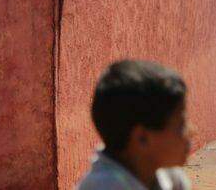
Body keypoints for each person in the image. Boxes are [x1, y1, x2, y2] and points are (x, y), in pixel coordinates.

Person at [77, 60, 192, 190]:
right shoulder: (103, 186)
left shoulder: (170, 177)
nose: (192, 131)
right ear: (142, 138)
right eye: (181, 124)